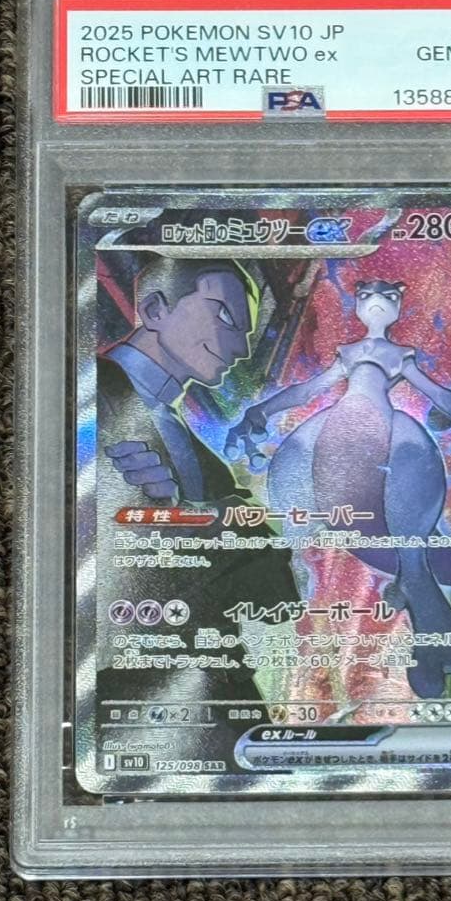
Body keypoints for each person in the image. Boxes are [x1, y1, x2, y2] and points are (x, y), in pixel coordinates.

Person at [226, 278, 451, 698]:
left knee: (412, 555)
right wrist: (259, 411)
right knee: (382, 550)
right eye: (368, 296)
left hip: (388, 436)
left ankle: (444, 649)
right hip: (340, 434)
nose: (377, 303)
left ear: (399, 304)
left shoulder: (399, 355)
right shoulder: (349, 354)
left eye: (388, 297)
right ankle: (439, 643)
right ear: (356, 304)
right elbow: (305, 391)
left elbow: (438, 393)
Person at [94, 259, 299, 765]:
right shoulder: (85, 396)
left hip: (209, 692)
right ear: (154, 310)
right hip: (125, 694)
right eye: (224, 317)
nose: (240, 349)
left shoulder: (191, 448)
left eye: (246, 333)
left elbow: (270, 586)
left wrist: (203, 516)